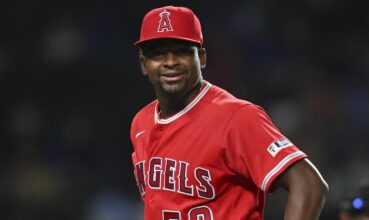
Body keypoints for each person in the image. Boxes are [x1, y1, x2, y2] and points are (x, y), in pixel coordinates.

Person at [130, 5, 328, 220]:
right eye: (158, 54)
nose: (170, 62)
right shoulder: (141, 122)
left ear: (202, 58)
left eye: (182, 51)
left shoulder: (236, 117)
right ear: (143, 64)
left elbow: (308, 184)